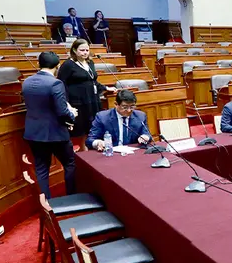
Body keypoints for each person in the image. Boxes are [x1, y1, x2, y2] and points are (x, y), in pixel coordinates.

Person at [22, 51, 77, 199]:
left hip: (33, 132)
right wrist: (72, 115)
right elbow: (62, 111)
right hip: (55, 133)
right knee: (70, 163)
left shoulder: (27, 81)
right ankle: (72, 198)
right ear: (57, 66)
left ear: (39, 64)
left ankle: (47, 203)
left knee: (41, 169)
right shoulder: (55, 83)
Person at [57, 39, 108, 141]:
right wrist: (66, 102)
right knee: (80, 130)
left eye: (87, 50)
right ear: (75, 50)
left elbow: (92, 80)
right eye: (82, 50)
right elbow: (61, 84)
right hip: (78, 102)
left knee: (93, 127)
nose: (85, 52)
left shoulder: (90, 63)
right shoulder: (68, 65)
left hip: (92, 100)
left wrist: (106, 88)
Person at [86, 89, 151, 150]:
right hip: (111, 154)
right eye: (125, 107)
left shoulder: (141, 116)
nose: (129, 110)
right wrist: (98, 143)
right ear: (116, 104)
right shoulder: (102, 117)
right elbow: (90, 140)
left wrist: (145, 137)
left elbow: (147, 134)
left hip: (133, 153)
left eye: (132, 107)